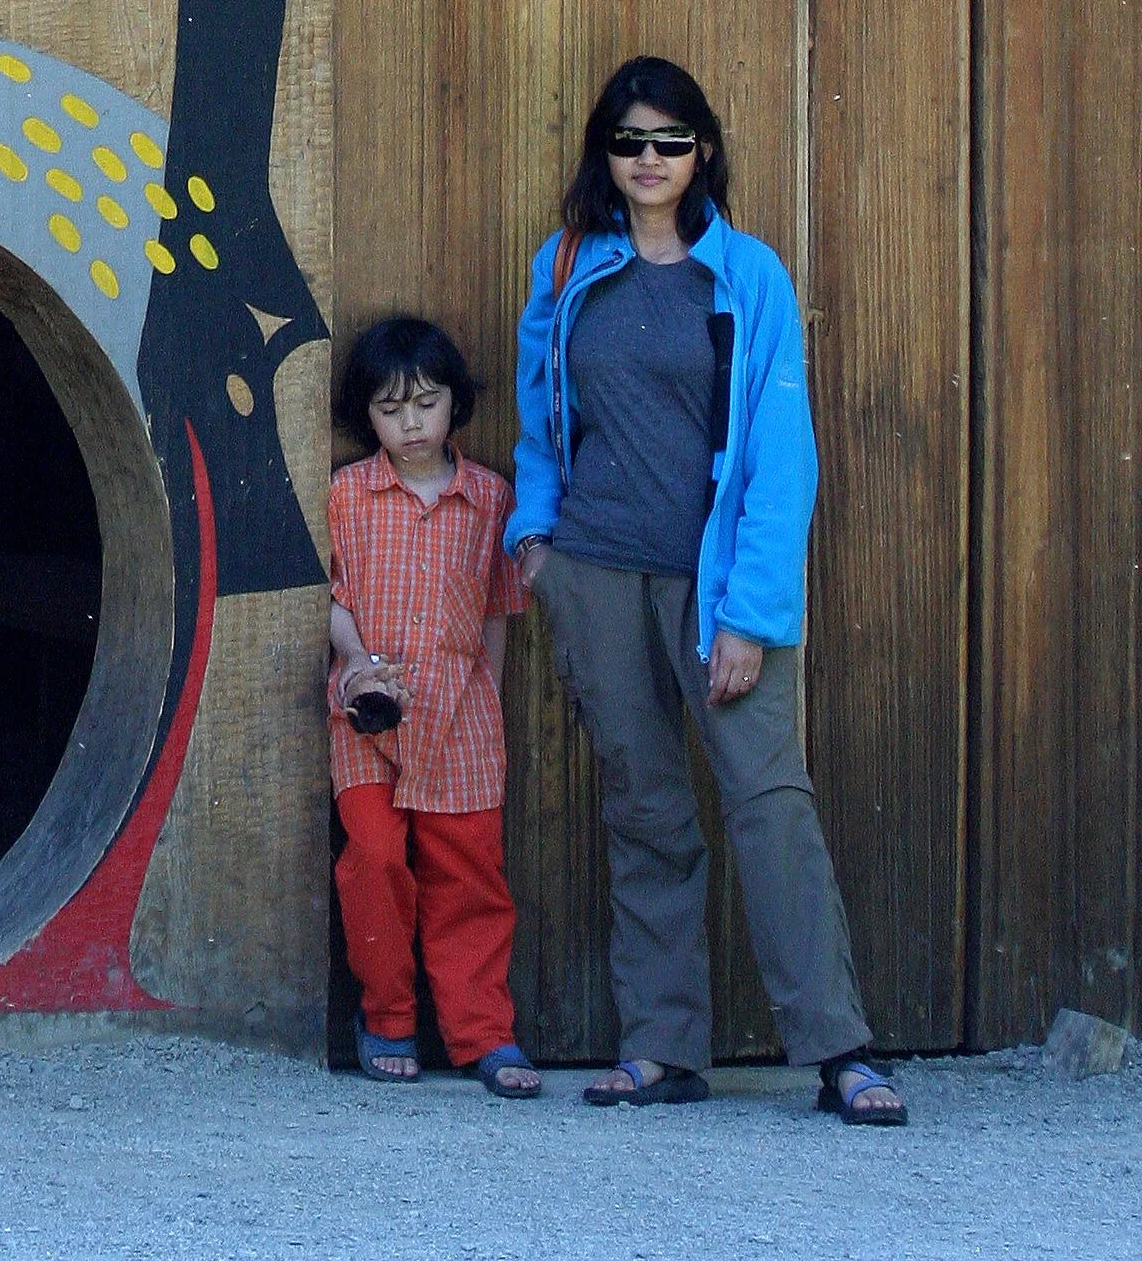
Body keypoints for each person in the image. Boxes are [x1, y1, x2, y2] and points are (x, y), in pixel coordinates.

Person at [509, 57, 905, 1125]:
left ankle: (839, 1052)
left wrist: (749, 616)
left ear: (703, 152)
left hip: (716, 587)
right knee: (644, 807)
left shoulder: (749, 276)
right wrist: (537, 542)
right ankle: (661, 1047)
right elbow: (540, 418)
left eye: (669, 141)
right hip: (596, 570)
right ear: (604, 152)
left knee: (769, 805)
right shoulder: (565, 264)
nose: (648, 159)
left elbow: (782, 458)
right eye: (629, 141)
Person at [326, 314, 542, 1100]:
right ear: (366, 415)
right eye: (390, 409)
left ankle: (482, 1033)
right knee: (376, 861)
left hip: (462, 723)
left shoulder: (490, 500)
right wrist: (355, 664)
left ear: (455, 402)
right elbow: (330, 596)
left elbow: (498, 614)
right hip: (367, 716)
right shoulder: (346, 495)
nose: (411, 424)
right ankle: (387, 1015)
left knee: (468, 876)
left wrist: (488, 705)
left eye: (426, 403)